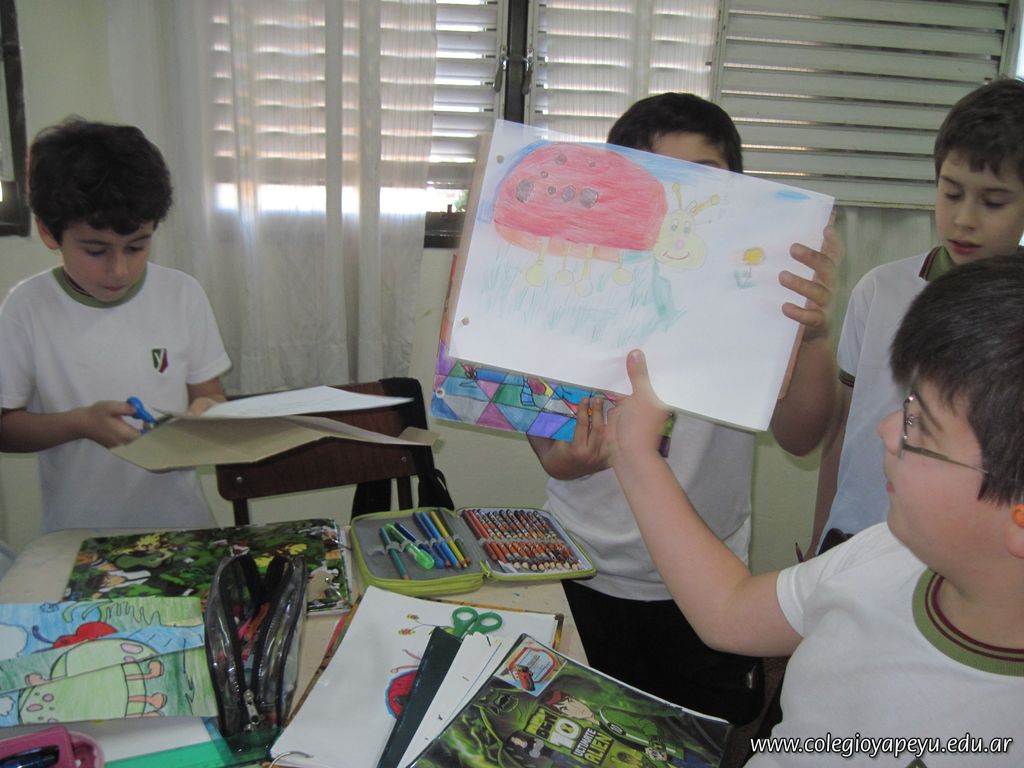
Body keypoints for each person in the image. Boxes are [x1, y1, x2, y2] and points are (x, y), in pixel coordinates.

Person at [608, 255, 1024, 767]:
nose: (886, 430)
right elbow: (729, 611)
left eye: (921, 428)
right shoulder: (885, 552)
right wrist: (634, 453)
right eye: (906, 407)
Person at [526, 93, 841, 723]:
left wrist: (810, 337)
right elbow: (551, 451)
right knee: (579, 730)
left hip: (707, 578)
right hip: (580, 565)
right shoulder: (574, 284)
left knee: (698, 733)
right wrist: (569, 460)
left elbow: (803, 436)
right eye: (657, 181)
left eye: (703, 181)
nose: (679, 202)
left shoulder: (760, 295)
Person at [811, 77, 1024, 552]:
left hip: (963, 560)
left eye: (993, 202)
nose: (964, 219)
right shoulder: (879, 290)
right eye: (951, 193)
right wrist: (820, 534)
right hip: (854, 537)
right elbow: (843, 428)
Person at [0, 118, 231, 533]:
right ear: (49, 233)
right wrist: (80, 423)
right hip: (79, 538)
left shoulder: (182, 294)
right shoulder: (27, 308)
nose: (119, 269)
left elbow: (209, 393)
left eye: (137, 246)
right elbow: (5, 429)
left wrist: (206, 413)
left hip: (183, 528)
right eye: (96, 250)